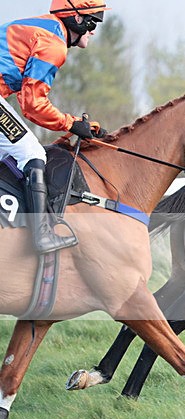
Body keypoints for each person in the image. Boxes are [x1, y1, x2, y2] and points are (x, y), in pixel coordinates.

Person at [0, 0, 110, 253]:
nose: (94, 30)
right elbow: (32, 104)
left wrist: (74, 126)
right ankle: (41, 236)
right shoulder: (53, 44)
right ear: (77, 19)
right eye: (94, 20)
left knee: (9, 156)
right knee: (32, 154)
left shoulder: (43, 27)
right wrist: (71, 124)